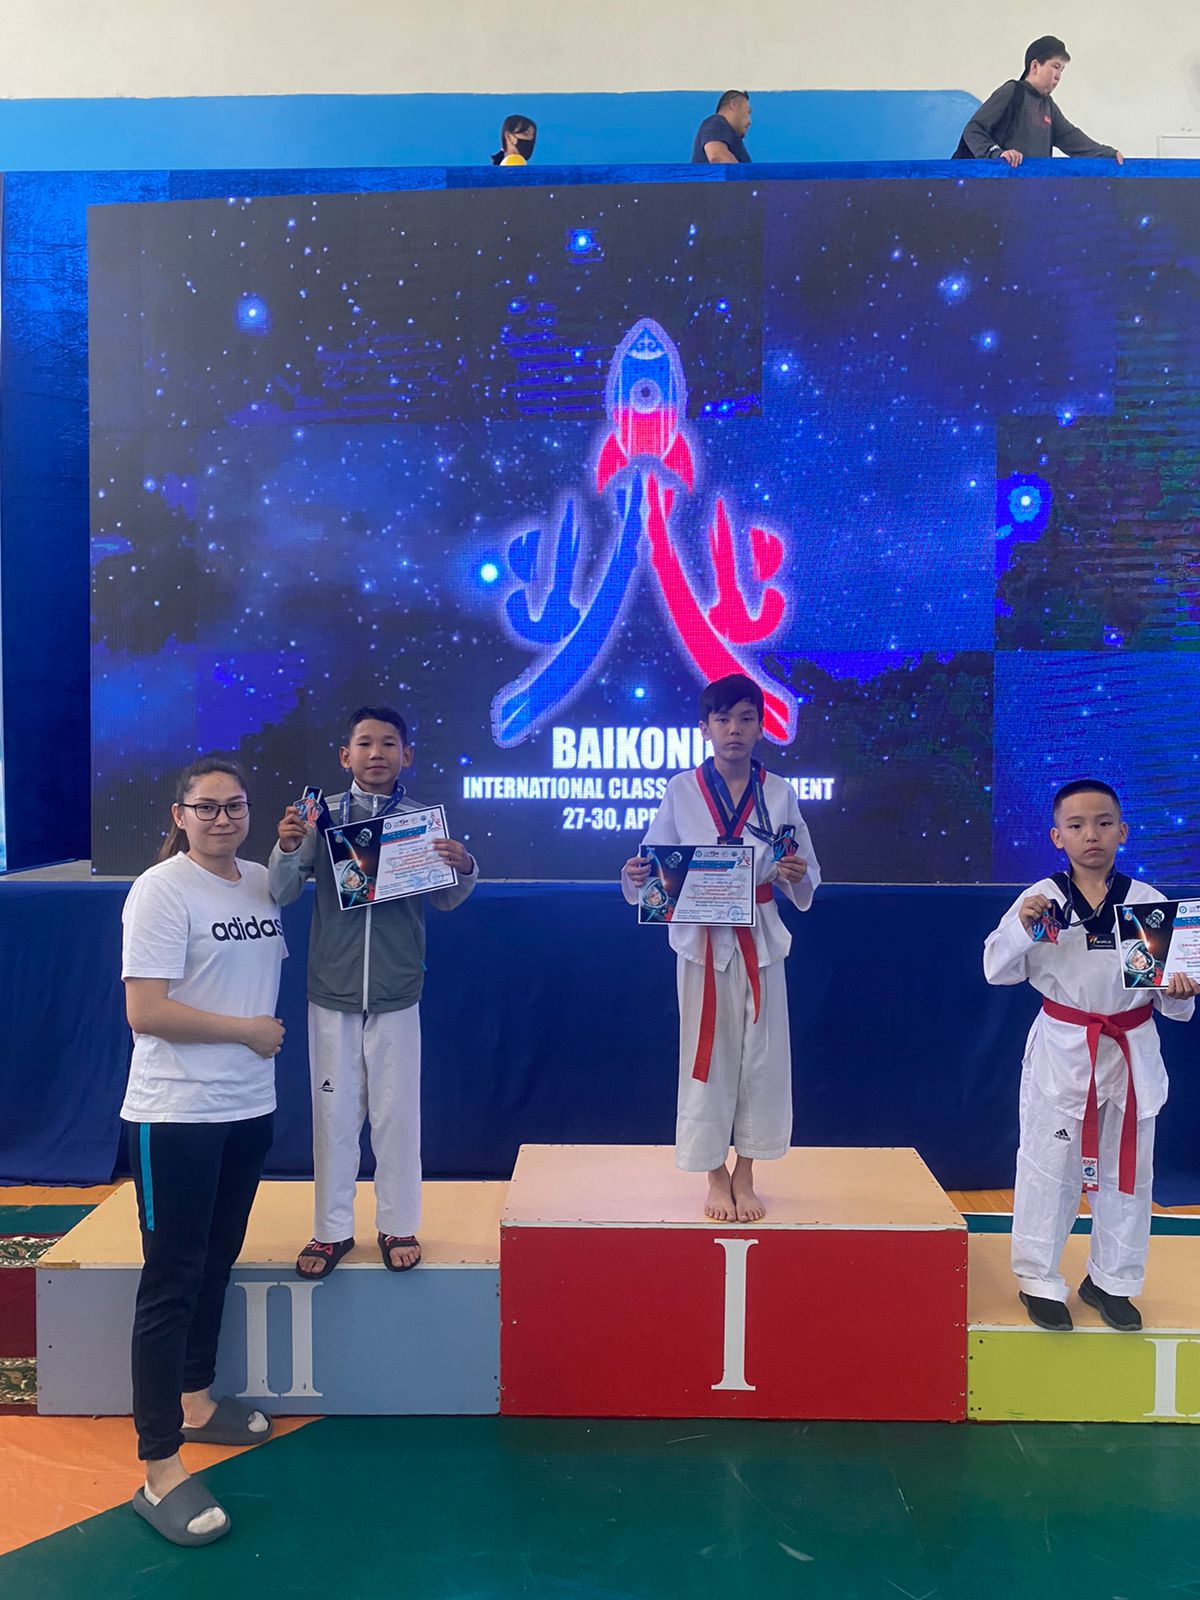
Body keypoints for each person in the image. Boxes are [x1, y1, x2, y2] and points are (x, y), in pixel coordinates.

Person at [121, 757, 287, 1547]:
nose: (223, 818)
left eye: (235, 806)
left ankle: (195, 1399)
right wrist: (246, 1032)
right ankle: (159, 1469)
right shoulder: (160, 890)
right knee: (171, 1281)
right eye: (207, 807)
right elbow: (146, 1011)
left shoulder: (260, 882)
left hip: (246, 1109)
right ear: (180, 814)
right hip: (175, 1115)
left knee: (216, 1262)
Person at [270, 705, 478, 1279]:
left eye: (389, 743)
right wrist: (287, 847)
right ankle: (331, 1229)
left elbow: (446, 898)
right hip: (331, 990)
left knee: (396, 1115)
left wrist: (463, 864)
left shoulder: (420, 823)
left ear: (406, 755)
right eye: (364, 743)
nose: (376, 753)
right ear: (346, 756)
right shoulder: (318, 817)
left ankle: (398, 1223)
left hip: (397, 990)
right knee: (333, 1115)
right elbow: (282, 891)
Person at [983, 780, 1197, 1333]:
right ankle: (1038, 1278)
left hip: (1129, 1049)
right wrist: (1025, 930)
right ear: (1057, 837)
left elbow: (1173, 1006)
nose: (1091, 835)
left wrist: (1179, 992)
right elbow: (996, 971)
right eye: (1076, 826)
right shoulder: (1041, 899)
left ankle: (1112, 1280)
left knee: (1128, 1172)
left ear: (1122, 831)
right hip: (1063, 1048)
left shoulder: (1148, 903)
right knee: (1047, 1167)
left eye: (1103, 823)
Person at [620, 674, 819, 1222]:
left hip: (761, 940)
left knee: (762, 1058)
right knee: (704, 1055)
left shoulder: (779, 792)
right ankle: (713, 1173)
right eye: (723, 719)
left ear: (761, 727)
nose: (735, 729)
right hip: (701, 942)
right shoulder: (681, 789)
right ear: (704, 728)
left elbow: (805, 870)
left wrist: (795, 873)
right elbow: (653, 864)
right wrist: (636, 875)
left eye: (746, 719)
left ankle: (746, 1172)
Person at [954, 36, 1123, 164]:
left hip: (1031, 190)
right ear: (1035, 66)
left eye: (1062, 70)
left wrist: (1108, 154)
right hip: (998, 189)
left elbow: (1072, 138)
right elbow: (973, 129)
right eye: (1055, 66)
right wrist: (996, 154)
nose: (1058, 76)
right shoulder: (1012, 91)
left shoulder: (1048, 106)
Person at [692, 91, 752, 165]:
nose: (750, 122)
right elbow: (717, 157)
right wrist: (741, 172)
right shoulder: (715, 123)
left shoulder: (731, 136)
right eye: (748, 112)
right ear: (734, 104)